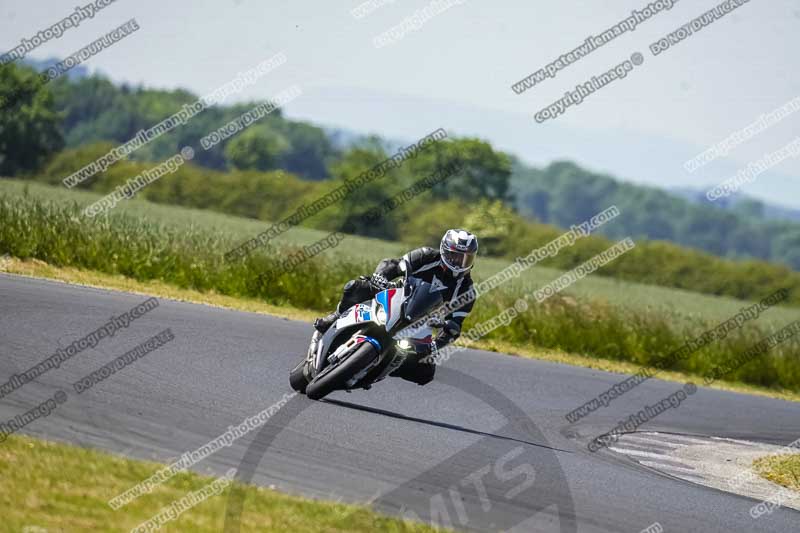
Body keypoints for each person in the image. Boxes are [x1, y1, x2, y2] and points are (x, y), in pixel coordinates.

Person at [313, 229, 478, 385]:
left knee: (425, 372)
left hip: (420, 324)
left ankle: (380, 367)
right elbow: (393, 264)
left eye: (465, 258)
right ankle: (335, 316)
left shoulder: (467, 290)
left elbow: (455, 326)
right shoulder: (426, 256)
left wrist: (436, 344)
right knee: (356, 286)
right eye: (455, 256)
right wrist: (380, 276)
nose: (459, 263)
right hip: (396, 296)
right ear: (444, 250)